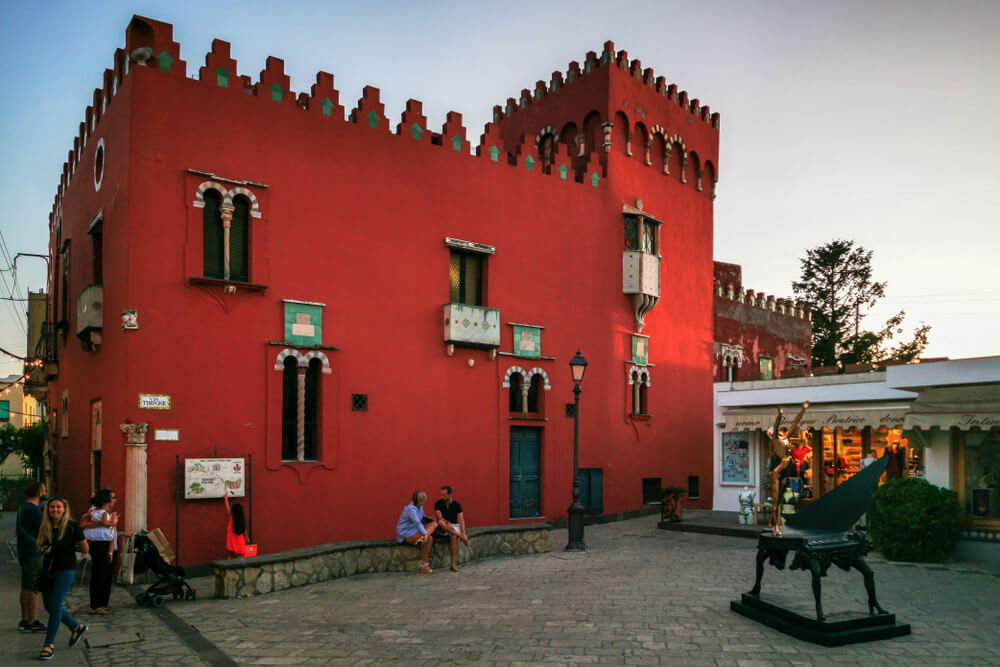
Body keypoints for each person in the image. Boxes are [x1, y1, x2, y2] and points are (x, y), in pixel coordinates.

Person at [36, 497, 89, 661]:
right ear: (48, 509)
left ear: (64, 509)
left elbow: (85, 548)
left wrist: (70, 552)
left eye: (58, 507)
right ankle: (76, 627)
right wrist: (43, 550)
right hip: (48, 570)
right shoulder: (45, 526)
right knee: (49, 606)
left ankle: (48, 645)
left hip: (65, 569)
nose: (55, 510)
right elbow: (39, 546)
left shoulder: (72, 527)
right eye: (52, 507)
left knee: (56, 605)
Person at [16, 481, 47, 633]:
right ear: (40, 492)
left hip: (24, 549)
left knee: (26, 586)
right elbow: (43, 530)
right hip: (34, 551)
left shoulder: (23, 507)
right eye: (44, 490)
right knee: (34, 587)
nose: (45, 492)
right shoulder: (34, 510)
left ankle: (24, 619)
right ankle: (32, 621)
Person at [81, 490, 118, 615]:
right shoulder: (96, 511)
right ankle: (97, 605)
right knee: (100, 574)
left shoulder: (105, 512)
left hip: (106, 544)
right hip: (100, 544)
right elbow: (84, 523)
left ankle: (102, 604)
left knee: (105, 575)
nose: (114, 500)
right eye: (112, 497)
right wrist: (108, 522)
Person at [396, 491, 438, 573]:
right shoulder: (410, 509)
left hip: (415, 530)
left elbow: (423, 518)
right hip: (406, 533)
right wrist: (425, 534)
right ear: (420, 500)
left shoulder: (420, 507)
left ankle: (422, 540)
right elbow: (417, 523)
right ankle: (425, 565)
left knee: (434, 525)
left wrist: (431, 519)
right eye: (424, 500)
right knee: (429, 538)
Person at [434, 485, 470, 572]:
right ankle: (461, 537)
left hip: (453, 526)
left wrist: (463, 531)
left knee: (453, 537)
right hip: (443, 526)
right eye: (441, 495)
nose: (442, 497)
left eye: (444, 495)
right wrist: (447, 523)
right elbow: (439, 517)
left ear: (450, 495)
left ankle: (452, 564)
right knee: (440, 522)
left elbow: (461, 519)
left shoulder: (457, 505)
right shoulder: (438, 504)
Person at [223, 493, 248, 558]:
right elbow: (244, 528)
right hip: (239, 540)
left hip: (231, 539)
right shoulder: (241, 519)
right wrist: (247, 538)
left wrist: (226, 499)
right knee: (241, 555)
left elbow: (228, 510)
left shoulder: (232, 517)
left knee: (230, 555)